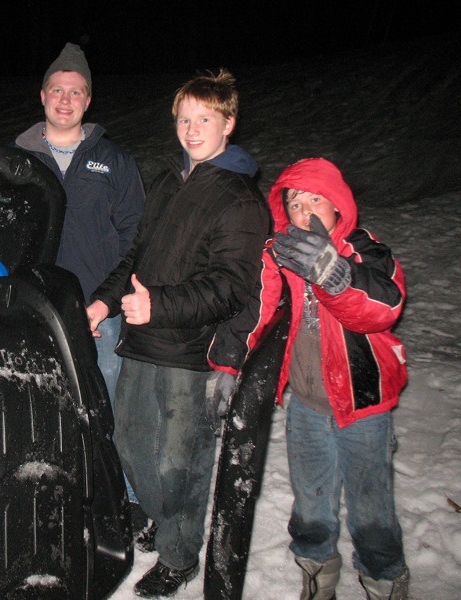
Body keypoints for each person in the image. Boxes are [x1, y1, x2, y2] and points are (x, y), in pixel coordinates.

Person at [86, 69, 270, 597]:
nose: (191, 130)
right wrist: (103, 300)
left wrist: (158, 305)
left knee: (179, 464)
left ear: (228, 124)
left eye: (204, 120)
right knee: (127, 441)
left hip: (192, 352)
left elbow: (230, 288)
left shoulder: (239, 199)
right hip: (143, 341)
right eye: (184, 119)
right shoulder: (169, 180)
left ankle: (179, 554)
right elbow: (136, 254)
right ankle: (162, 519)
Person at [260, 157, 409, 599]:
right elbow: (258, 312)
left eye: (315, 201)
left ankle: (383, 579)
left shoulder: (364, 248)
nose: (304, 212)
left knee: (371, 506)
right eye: (294, 203)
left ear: (337, 205)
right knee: (310, 503)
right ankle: (317, 573)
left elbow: (385, 306)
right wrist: (231, 367)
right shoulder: (283, 253)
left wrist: (335, 275)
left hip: (363, 405)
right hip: (306, 405)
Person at [14, 42, 145, 406]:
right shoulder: (16, 161)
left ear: (87, 101)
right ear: (43, 96)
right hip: (33, 312)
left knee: (101, 411)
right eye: (57, 90)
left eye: (75, 92)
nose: (65, 100)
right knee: (41, 411)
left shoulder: (115, 161)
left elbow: (137, 238)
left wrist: (105, 303)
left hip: (99, 316)